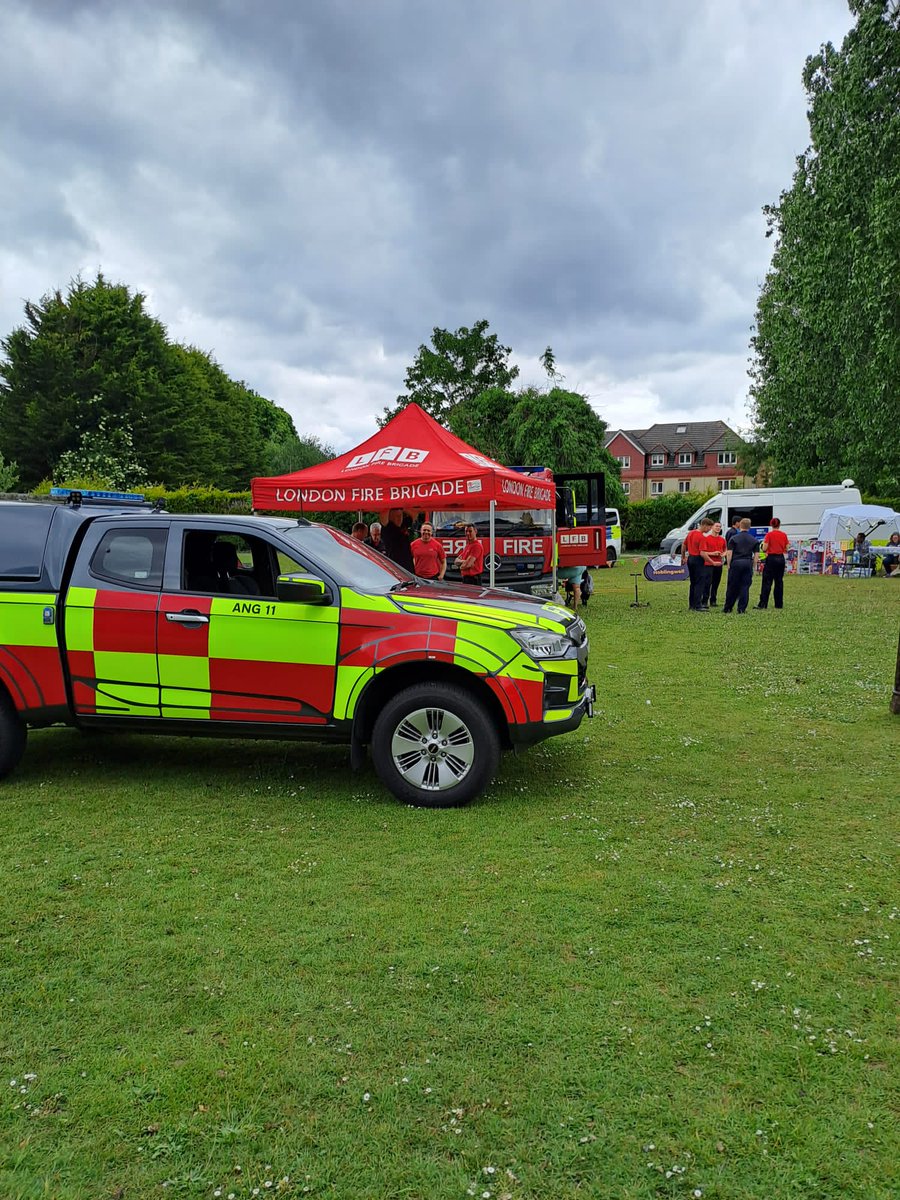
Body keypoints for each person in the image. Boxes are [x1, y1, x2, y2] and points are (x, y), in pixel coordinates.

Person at [722, 518, 759, 614]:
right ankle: (741, 608)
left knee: (732, 585)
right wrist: (753, 566)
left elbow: (729, 553)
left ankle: (728, 607)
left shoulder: (734, 538)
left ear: (740, 526)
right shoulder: (754, 540)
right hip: (747, 562)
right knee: (745, 586)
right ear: (749, 527)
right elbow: (756, 556)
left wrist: (728, 564)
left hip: (736, 562)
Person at [757, 517, 790, 609]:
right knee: (779, 581)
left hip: (771, 558)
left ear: (771, 525)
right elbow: (787, 548)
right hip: (780, 558)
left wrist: (763, 546)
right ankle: (778, 604)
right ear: (779, 525)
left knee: (767, 582)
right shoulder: (784, 535)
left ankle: (763, 603)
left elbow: (764, 548)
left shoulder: (769, 535)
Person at [683, 517, 714, 611]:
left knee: (693, 582)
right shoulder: (701, 537)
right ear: (704, 525)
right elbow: (702, 553)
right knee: (700, 582)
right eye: (709, 528)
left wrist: (683, 557)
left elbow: (684, 545)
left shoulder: (691, 533)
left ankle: (691, 604)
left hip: (690, 559)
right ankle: (698, 605)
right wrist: (712, 562)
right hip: (698, 560)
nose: (709, 530)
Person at [701, 520, 727, 607]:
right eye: (716, 526)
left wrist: (724, 554)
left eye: (719, 526)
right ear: (712, 527)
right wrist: (713, 553)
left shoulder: (722, 539)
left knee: (716, 582)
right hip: (708, 564)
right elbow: (702, 552)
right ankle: (704, 601)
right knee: (707, 583)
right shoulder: (706, 539)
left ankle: (713, 600)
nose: (718, 528)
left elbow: (725, 550)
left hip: (719, 564)